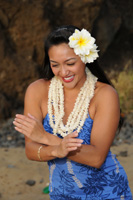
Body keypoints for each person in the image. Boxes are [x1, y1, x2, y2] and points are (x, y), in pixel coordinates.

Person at [13, 25, 132, 200]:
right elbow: (31, 150)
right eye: (55, 65)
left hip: (108, 192)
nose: (63, 72)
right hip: (61, 193)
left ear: (85, 57)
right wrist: (56, 151)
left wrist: (48, 139)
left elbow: (97, 158)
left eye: (70, 63)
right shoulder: (37, 91)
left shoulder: (104, 95)